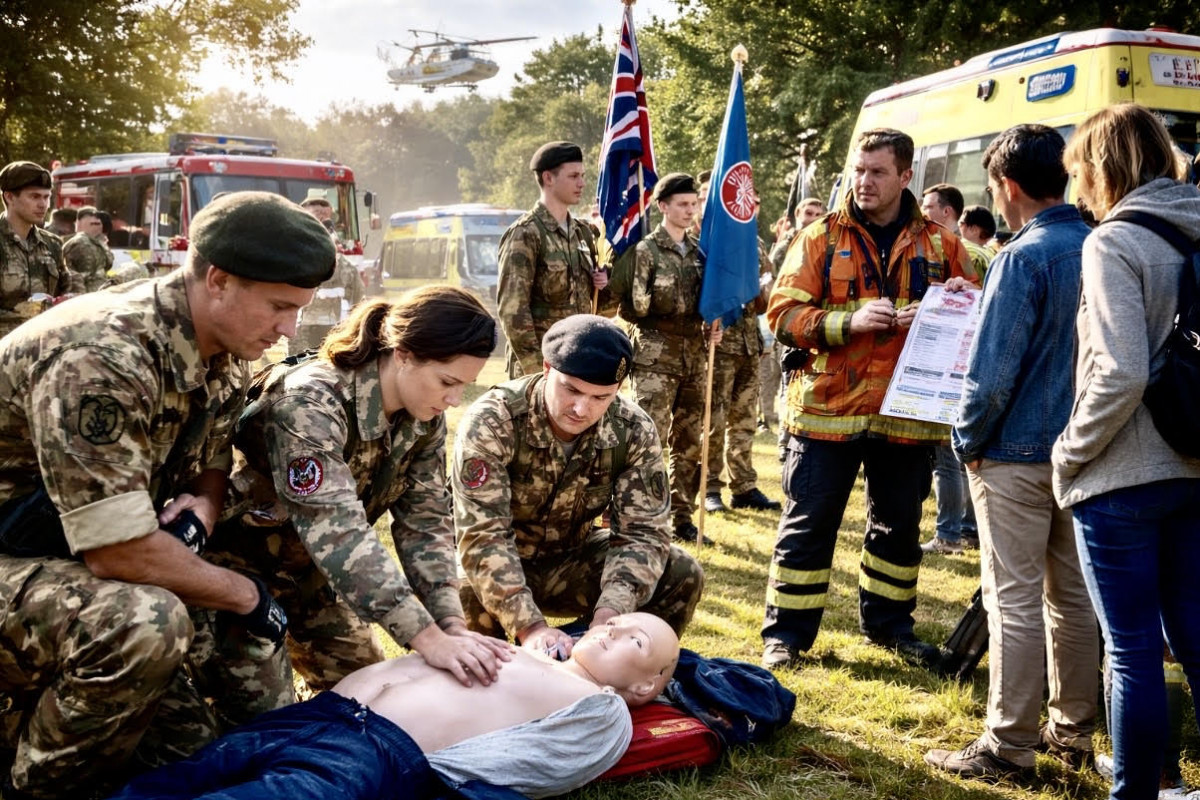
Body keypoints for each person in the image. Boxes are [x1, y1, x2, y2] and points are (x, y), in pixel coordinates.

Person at [0, 191, 335, 800]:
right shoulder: (103, 354)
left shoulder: (224, 346)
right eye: (280, 307)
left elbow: (210, 459)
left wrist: (204, 511)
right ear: (218, 280)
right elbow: (119, 555)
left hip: (62, 547)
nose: (290, 329)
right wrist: (241, 593)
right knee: (142, 624)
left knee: (193, 755)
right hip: (26, 554)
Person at [209, 287, 510, 701]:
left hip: (312, 580)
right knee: (265, 718)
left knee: (373, 695)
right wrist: (425, 637)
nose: (455, 400)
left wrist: (449, 624)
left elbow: (425, 524)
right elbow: (339, 534)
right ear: (403, 354)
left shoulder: (423, 418)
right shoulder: (311, 403)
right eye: (447, 382)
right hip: (234, 580)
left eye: (465, 386)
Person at [924, 124, 1099, 778]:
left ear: (1007, 187)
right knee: (1073, 599)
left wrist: (967, 441)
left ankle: (1007, 745)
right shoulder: (1101, 246)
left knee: (1015, 600)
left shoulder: (1022, 258)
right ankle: (1071, 733)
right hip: (1086, 452)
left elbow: (990, 373)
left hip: (1017, 453)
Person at [760, 128, 970, 671]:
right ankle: (786, 636)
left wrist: (950, 306)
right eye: (859, 169)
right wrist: (846, 322)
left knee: (899, 527)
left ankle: (891, 626)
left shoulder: (943, 245)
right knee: (809, 523)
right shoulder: (817, 237)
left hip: (906, 413)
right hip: (827, 409)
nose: (864, 181)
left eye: (877, 172)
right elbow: (781, 316)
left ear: (906, 177)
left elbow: (976, 310)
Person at [109, 612, 680, 800]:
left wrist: (436, 781)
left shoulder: (601, 710)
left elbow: (545, 766)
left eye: (636, 640)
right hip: (318, 713)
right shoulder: (531, 651)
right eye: (618, 622)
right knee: (181, 778)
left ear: (645, 687)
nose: (614, 628)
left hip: (371, 752)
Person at [1052, 103, 1200, 800]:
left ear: (1101, 167)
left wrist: (1069, 454)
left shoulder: (1114, 242)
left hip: (1123, 473)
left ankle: (1134, 793)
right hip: (1196, 464)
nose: (1076, 187)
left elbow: (1120, 371)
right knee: (1196, 639)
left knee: (1134, 650)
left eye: (1078, 169)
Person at [454, 314, 704, 657]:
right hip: (499, 562)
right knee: (463, 588)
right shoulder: (495, 419)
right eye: (570, 389)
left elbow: (643, 533)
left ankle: (616, 679)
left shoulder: (632, 429)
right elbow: (483, 537)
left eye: (601, 397)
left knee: (680, 570)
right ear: (546, 368)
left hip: (570, 562)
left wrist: (610, 618)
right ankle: (495, 690)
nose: (581, 408)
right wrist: (531, 628)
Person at [620, 172, 720, 543]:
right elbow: (630, 308)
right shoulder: (646, 250)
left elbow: (709, 303)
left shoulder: (699, 252)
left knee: (690, 442)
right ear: (663, 207)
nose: (690, 211)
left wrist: (713, 324)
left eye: (694, 204)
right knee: (649, 440)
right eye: (682, 204)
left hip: (694, 358)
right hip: (655, 358)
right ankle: (644, 518)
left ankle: (682, 518)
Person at [496, 141, 609, 378]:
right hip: (542, 364)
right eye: (574, 176)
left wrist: (604, 282)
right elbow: (512, 310)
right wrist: (537, 370)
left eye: (583, 176)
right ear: (548, 178)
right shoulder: (525, 234)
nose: (582, 183)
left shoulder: (583, 233)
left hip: (577, 358)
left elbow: (596, 304)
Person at [918, 183, 980, 556]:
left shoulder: (954, 251)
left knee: (947, 458)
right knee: (964, 456)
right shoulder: (980, 252)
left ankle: (948, 534)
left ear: (947, 212)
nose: (922, 213)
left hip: (947, 365)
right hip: (967, 368)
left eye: (928, 207)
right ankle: (969, 529)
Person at [703, 239, 781, 514]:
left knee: (745, 420)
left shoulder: (755, 243)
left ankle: (743, 486)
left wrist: (764, 291)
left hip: (749, 342)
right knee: (714, 420)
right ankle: (710, 487)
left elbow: (761, 300)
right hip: (720, 341)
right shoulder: (715, 232)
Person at [0, 161, 72, 338]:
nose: (43, 204)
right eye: (34, 197)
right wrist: (24, 313)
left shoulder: (52, 243)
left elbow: (66, 290)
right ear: (9, 197)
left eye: (46, 197)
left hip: (43, 347)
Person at [287, 201, 366, 355]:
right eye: (316, 217)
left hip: (336, 335)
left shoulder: (347, 269)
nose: (323, 224)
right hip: (301, 333)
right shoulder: (292, 261)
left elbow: (358, 302)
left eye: (327, 219)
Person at [62, 206, 114, 293]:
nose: (98, 226)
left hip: (99, 292)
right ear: (79, 223)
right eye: (93, 223)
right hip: (87, 293)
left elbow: (108, 263)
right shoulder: (79, 242)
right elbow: (78, 276)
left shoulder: (96, 242)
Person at [958, 205, 998, 281]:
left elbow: (971, 285)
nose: (959, 225)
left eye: (962, 223)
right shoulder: (992, 252)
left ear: (974, 230)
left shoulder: (969, 253)